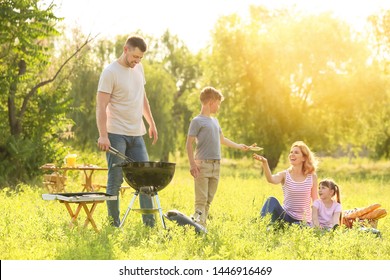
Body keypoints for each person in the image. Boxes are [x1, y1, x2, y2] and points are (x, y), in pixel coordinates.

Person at [96, 35, 158, 227]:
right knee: (115, 178)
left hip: (136, 133)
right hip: (115, 133)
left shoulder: (138, 68)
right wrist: (103, 135)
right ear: (126, 49)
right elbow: (100, 106)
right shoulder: (110, 72)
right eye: (135, 57)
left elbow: (142, 98)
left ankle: (150, 225)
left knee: (145, 179)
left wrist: (151, 123)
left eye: (140, 58)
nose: (137, 61)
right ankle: (113, 224)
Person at [186, 86, 250, 228]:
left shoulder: (215, 121)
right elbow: (189, 144)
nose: (219, 107)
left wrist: (239, 146)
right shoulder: (197, 121)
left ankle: (202, 226)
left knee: (208, 200)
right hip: (202, 165)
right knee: (201, 200)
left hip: (216, 165)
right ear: (211, 102)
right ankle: (197, 227)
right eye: (218, 103)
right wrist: (192, 164)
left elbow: (222, 140)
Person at [253, 141, 318, 225]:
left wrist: (316, 221)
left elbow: (315, 200)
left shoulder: (312, 177)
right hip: (285, 216)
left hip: (303, 221)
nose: (292, 154)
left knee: (297, 226)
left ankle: (276, 227)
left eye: (296, 152)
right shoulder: (285, 175)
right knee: (271, 200)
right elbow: (271, 179)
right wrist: (265, 163)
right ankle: (259, 225)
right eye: (291, 152)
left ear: (304, 158)